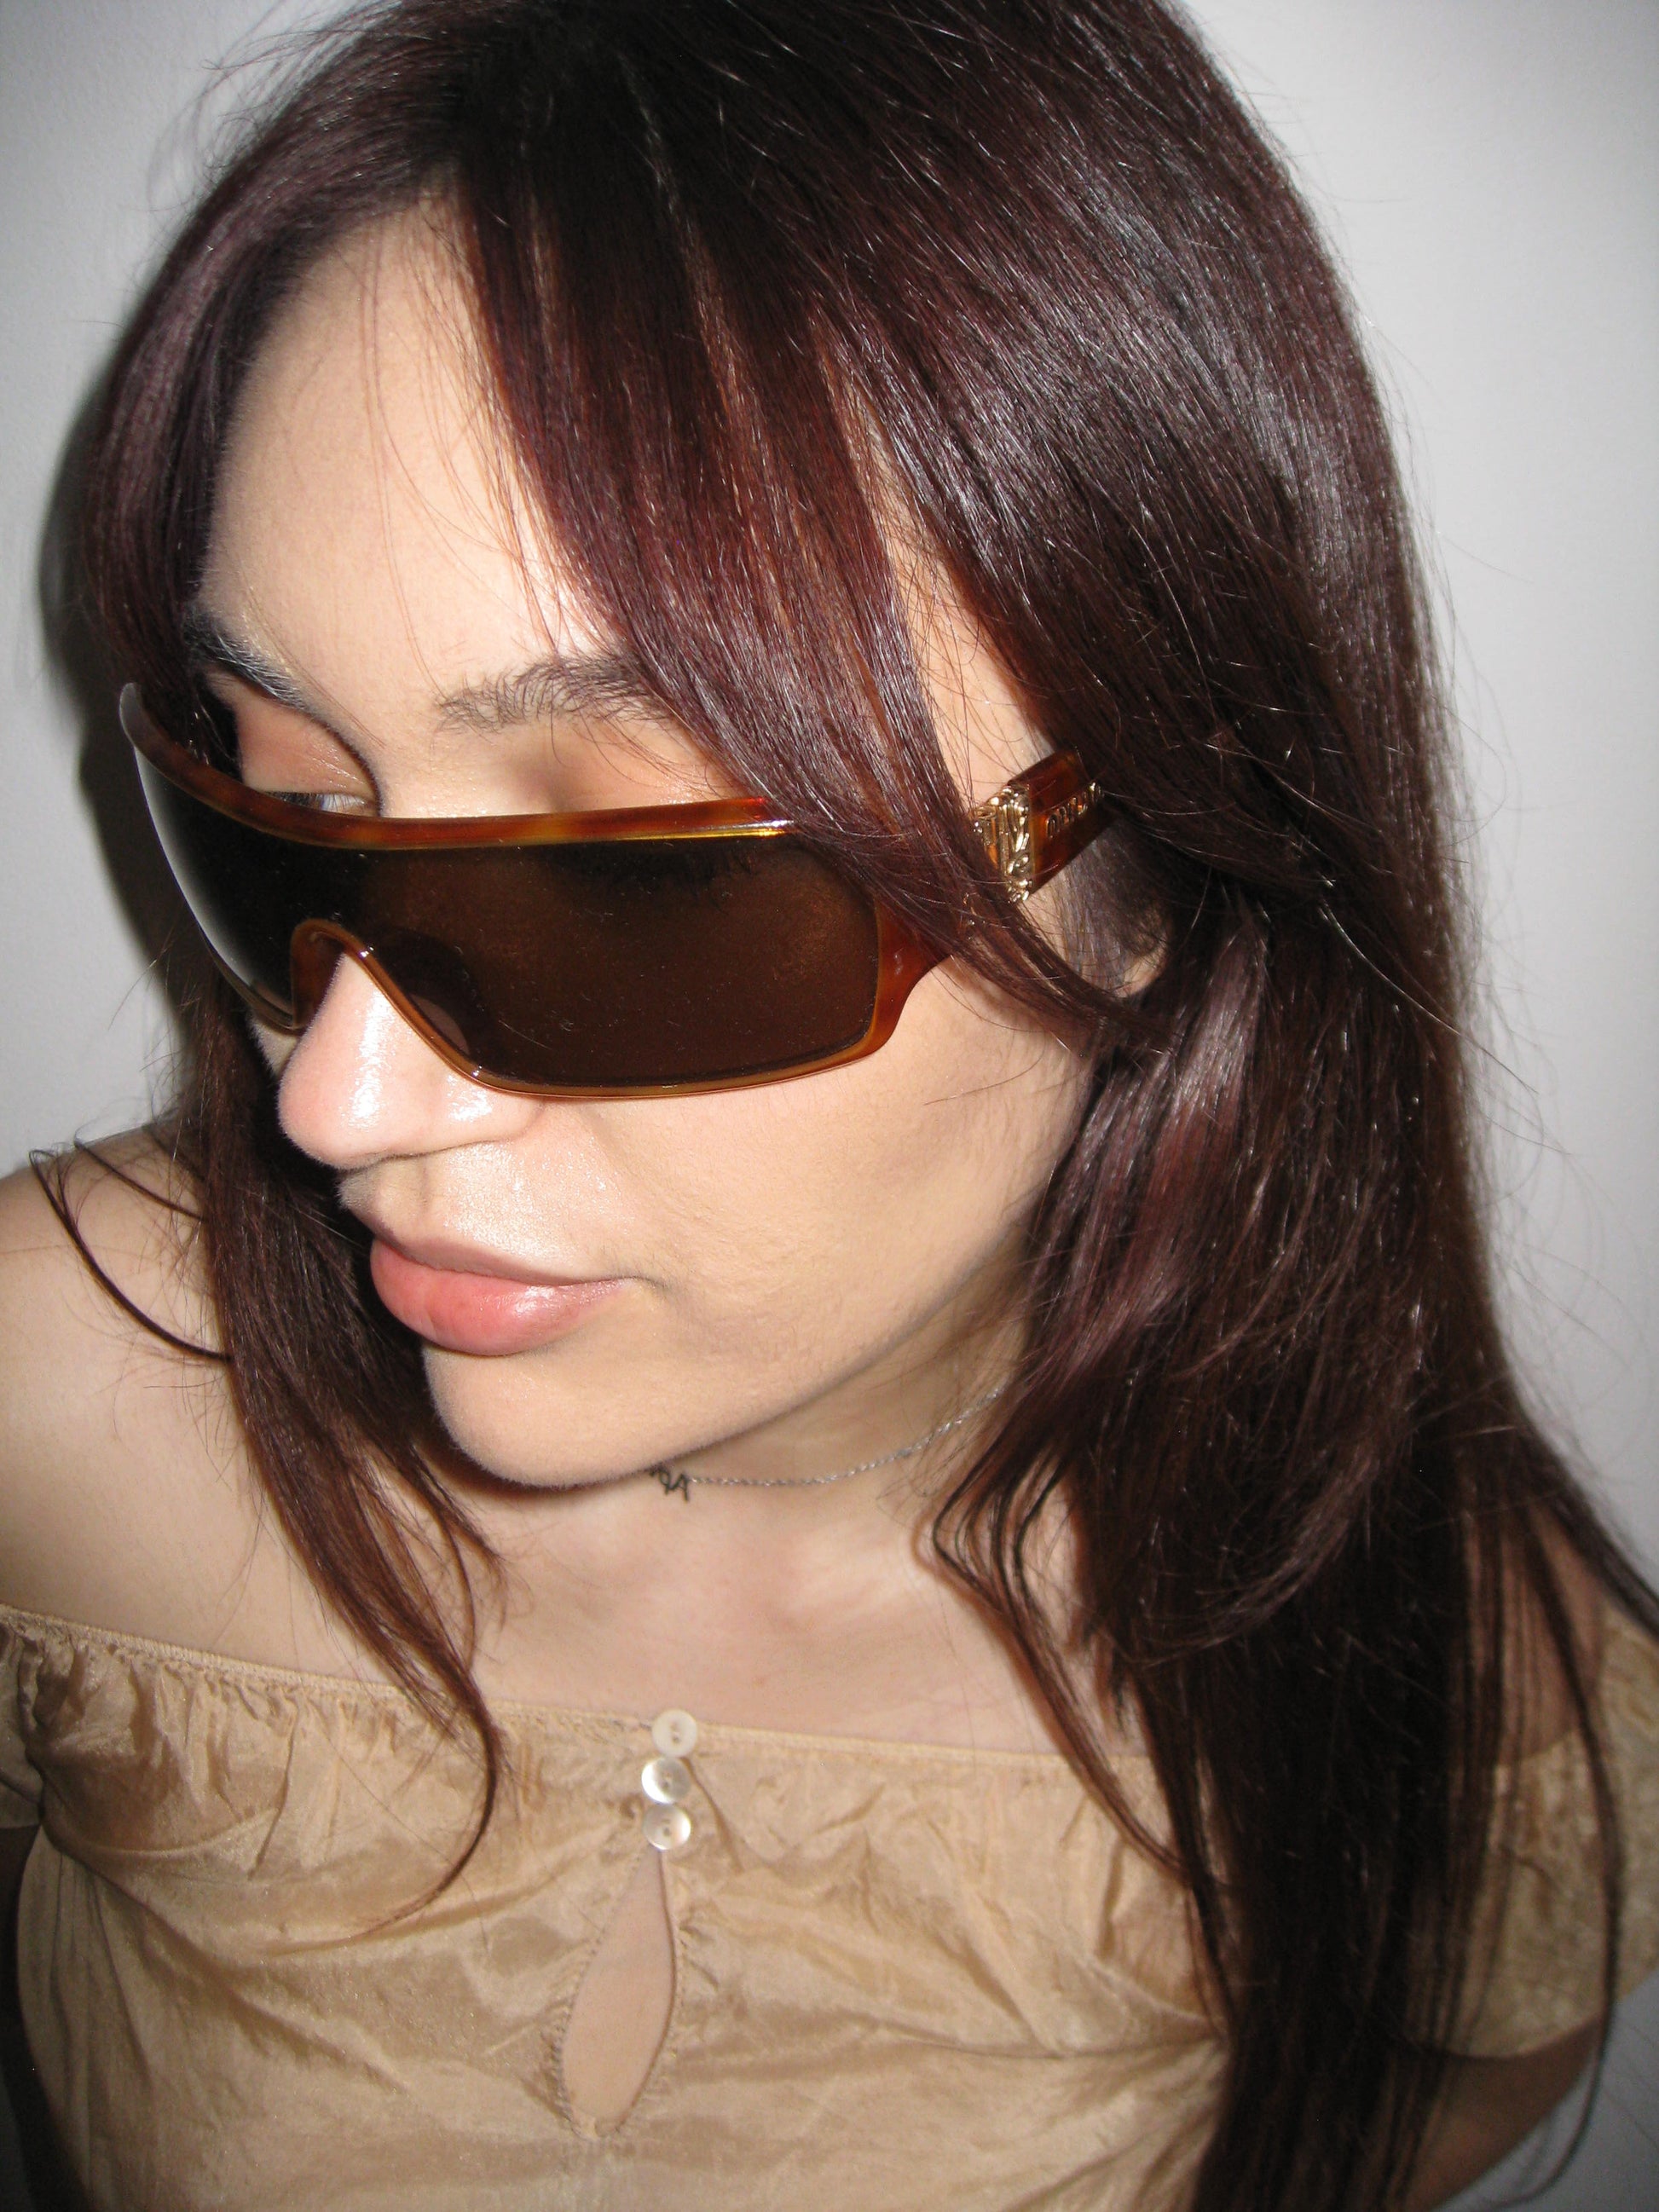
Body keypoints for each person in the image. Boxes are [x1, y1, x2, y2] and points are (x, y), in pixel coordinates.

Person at [0, 2, 1654, 2207]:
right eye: (279, 814)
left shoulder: (1425, 1673)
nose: (341, 1095)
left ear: (1164, 865)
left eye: (641, 887)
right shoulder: (56, 1406)